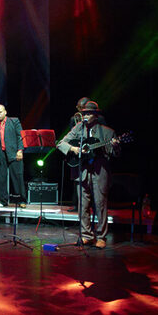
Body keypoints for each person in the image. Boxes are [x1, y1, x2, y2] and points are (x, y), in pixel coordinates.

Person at [56, 100, 118, 248]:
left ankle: (101, 236)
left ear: (95, 116)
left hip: (99, 172)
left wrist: (114, 146)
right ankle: (86, 235)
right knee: (82, 205)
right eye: (84, 114)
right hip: (82, 171)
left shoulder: (107, 131)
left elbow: (115, 154)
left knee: (100, 204)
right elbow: (61, 143)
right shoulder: (78, 128)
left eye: (88, 114)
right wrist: (74, 149)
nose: (85, 116)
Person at [0, 104, 25, 207]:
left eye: (0, 112)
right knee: (1, 178)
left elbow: (20, 136)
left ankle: (21, 200)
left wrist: (20, 150)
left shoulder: (14, 121)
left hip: (14, 152)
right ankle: (3, 200)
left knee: (17, 177)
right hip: (0, 153)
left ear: (5, 112)